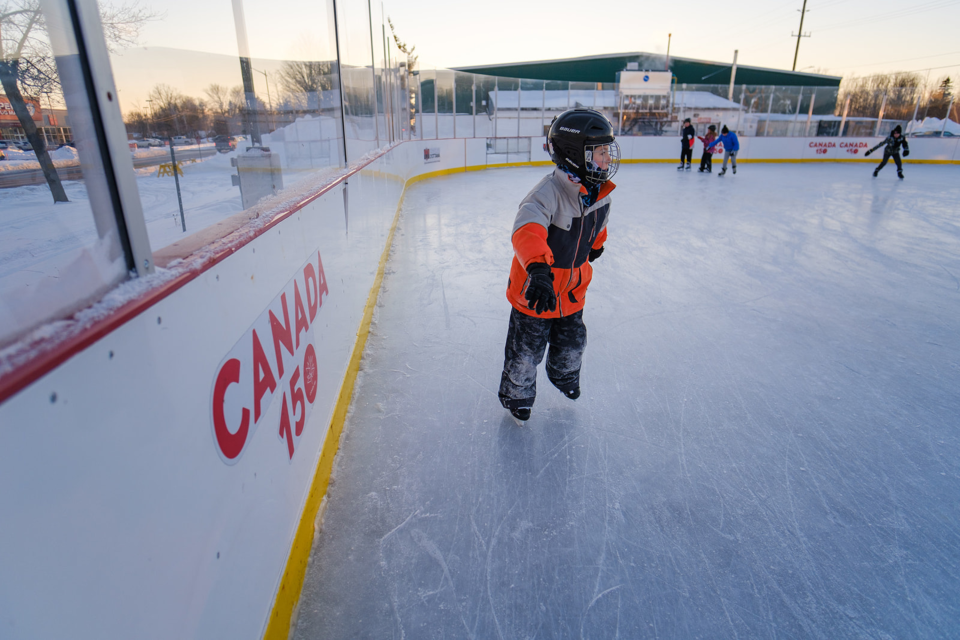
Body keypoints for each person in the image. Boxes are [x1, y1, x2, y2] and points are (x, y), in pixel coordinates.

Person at [498, 108, 619, 422]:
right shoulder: (546, 195)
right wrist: (538, 269)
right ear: (575, 154)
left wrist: (596, 245)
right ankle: (517, 394)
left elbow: (599, 224)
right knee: (526, 352)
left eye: (607, 151)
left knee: (574, 343)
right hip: (538, 290)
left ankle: (564, 375)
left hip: (573, 291)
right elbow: (527, 231)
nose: (607, 159)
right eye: (601, 152)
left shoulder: (600, 193)